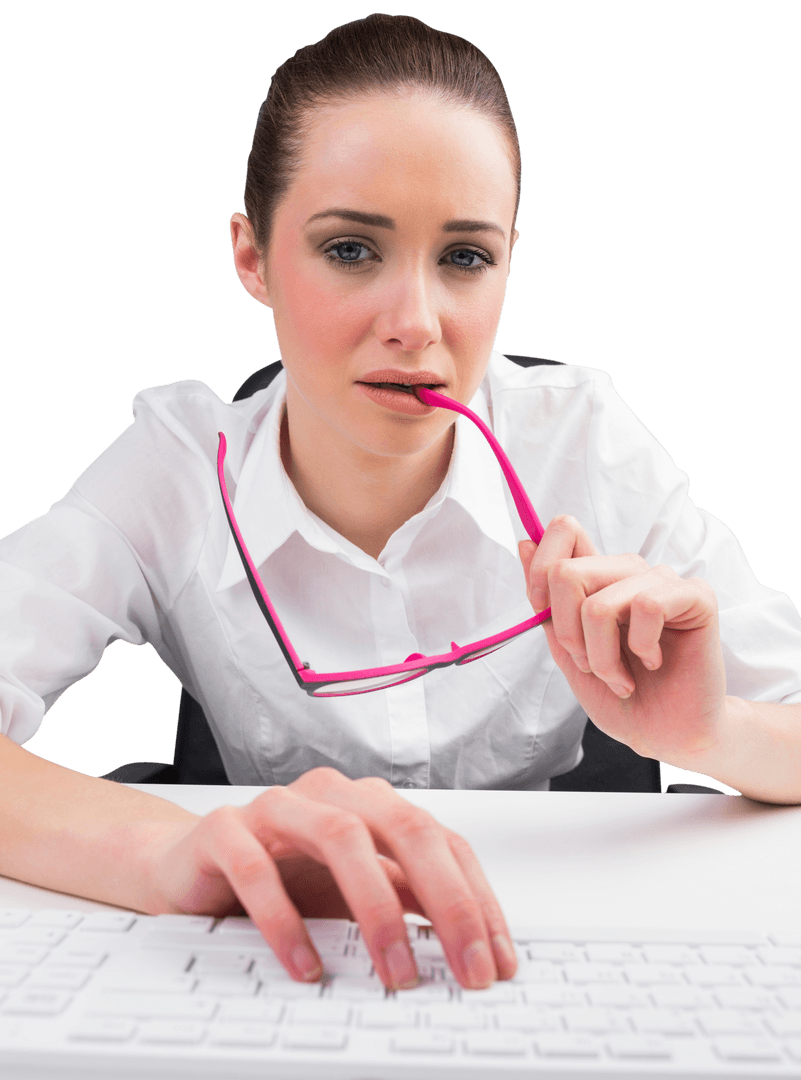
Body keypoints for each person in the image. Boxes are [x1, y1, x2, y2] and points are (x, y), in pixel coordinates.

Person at [1, 14, 800, 995]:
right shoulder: (176, 468)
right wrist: (170, 855)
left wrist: (712, 732)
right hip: (288, 969)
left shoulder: (585, 442)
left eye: (464, 259)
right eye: (349, 250)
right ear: (251, 258)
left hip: (552, 959)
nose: (416, 326)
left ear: (509, 260)